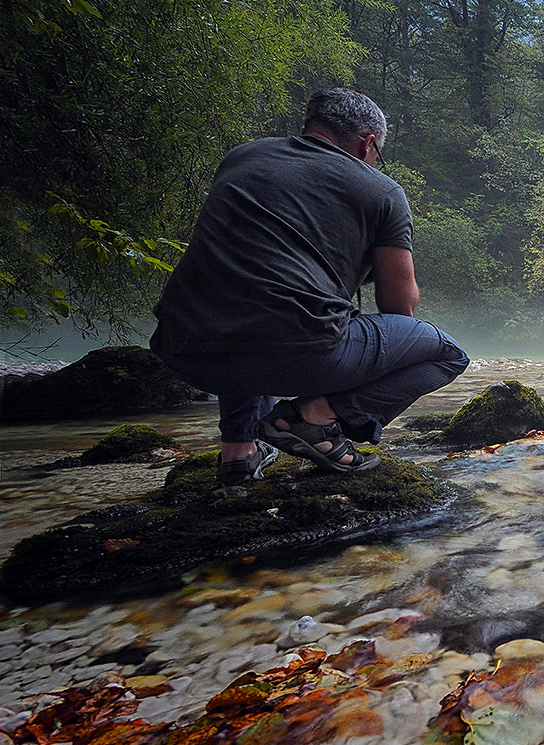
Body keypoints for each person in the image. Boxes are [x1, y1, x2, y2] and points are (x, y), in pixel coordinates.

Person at [150, 88, 469, 486]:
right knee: (447, 353)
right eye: (376, 155)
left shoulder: (243, 157)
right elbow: (399, 309)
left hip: (185, 349)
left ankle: (239, 451)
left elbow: (261, 264)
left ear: (307, 130)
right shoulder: (381, 191)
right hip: (296, 351)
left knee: (251, 302)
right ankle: (312, 418)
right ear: (367, 143)